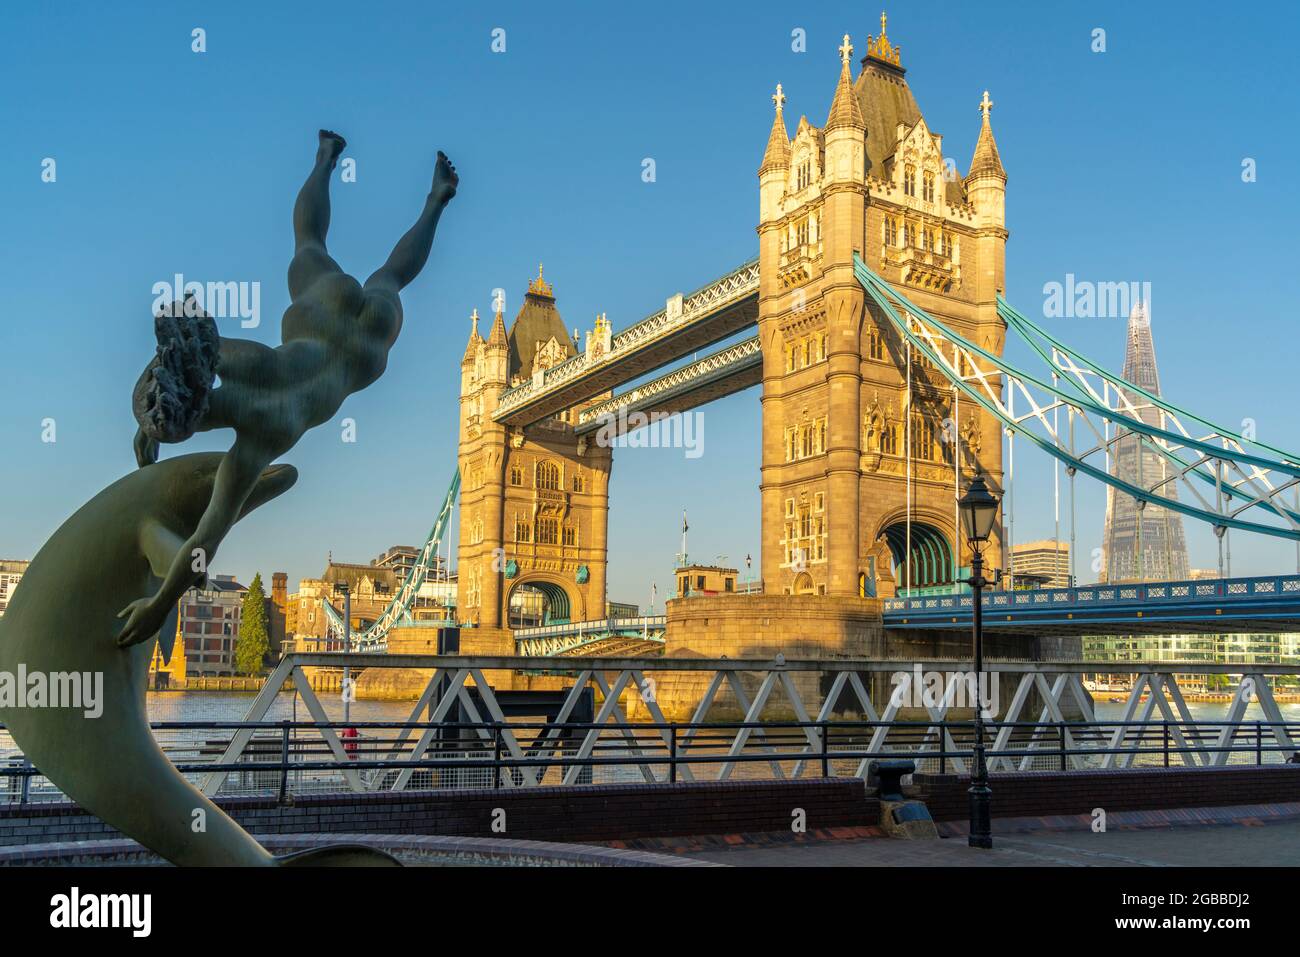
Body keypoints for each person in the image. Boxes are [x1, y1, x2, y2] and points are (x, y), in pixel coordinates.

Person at [118, 130, 458, 648]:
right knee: (311, 244)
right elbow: (190, 344)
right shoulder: (246, 362)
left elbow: (202, 542)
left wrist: (159, 605)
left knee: (390, 277)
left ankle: (434, 201)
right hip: (325, 312)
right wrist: (147, 409)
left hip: (366, 351)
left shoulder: (260, 443)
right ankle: (331, 159)